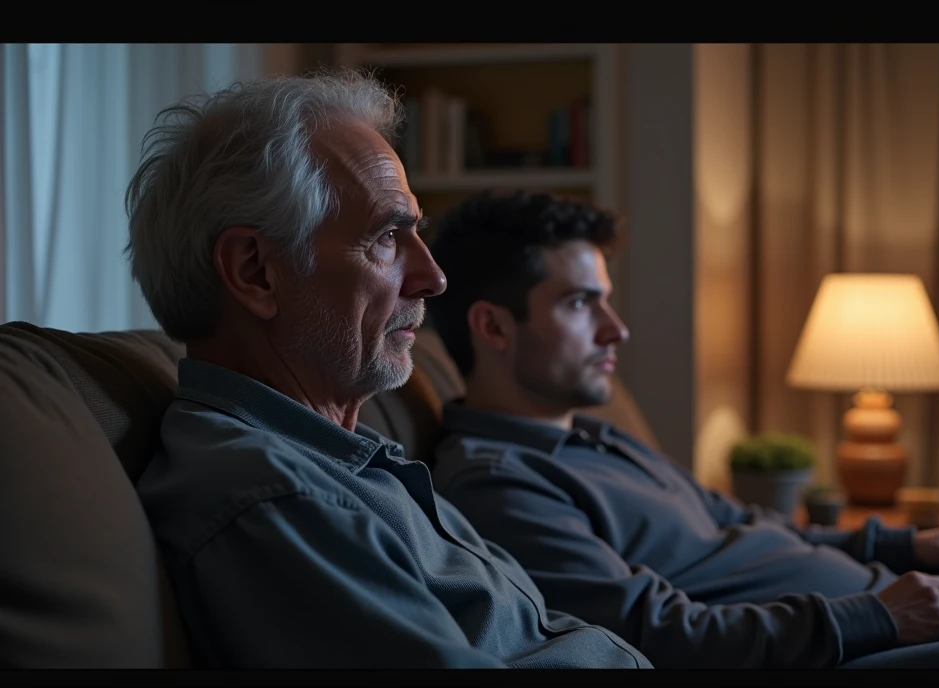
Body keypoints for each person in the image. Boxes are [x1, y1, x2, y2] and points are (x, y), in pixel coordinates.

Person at [123, 71, 652, 670]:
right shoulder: (277, 500)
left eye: (417, 232)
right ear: (254, 272)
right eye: (385, 236)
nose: (433, 277)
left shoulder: (349, 454)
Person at [425, 188, 939, 669]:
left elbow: (740, 521)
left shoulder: (595, 434)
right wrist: (876, 617)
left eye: (605, 300)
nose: (616, 329)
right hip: (862, 646)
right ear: (494, 328)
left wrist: (896, 545)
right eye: (582, 304)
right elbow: (652, 636)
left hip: (918, 595)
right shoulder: (499, 483)